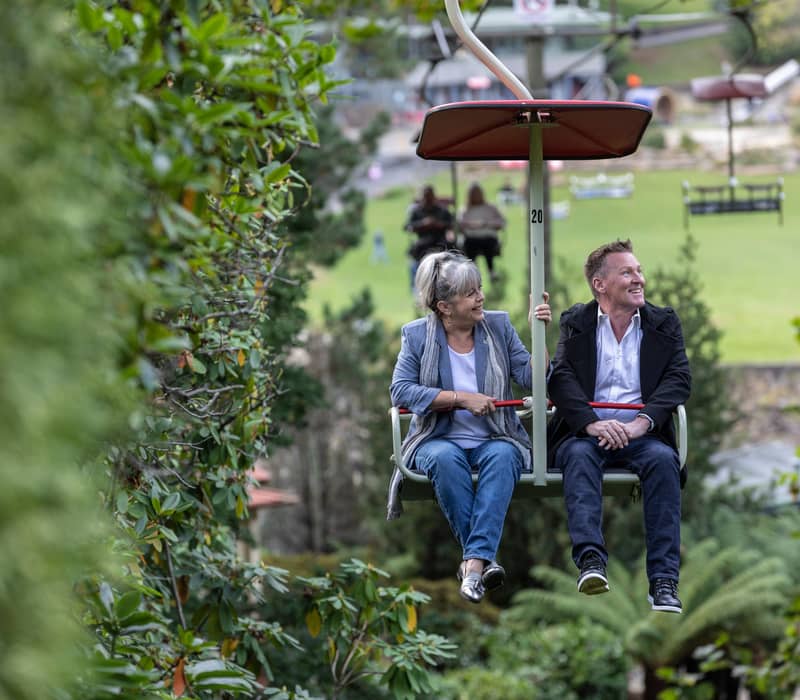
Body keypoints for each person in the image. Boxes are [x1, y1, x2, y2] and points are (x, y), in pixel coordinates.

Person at [389, 251, 551, 603]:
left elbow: (531, 377)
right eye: (470, 293)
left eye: (479, 289)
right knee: (445, 459)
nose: (481, 298)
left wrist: (539, 334)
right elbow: (400, 390)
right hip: (437, 437)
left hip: (495, 435)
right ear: (444, 307)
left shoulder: (498, 326)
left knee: (504, 457)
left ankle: (472, 566)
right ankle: (482, 560)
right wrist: (461, 398)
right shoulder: (417, 337)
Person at [547, 239, 691, 613]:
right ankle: (591, 563)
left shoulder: (663, 323)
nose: (638, 278)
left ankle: (663, 581)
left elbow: (678, 378)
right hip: (587, 435)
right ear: (600, 284)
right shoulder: (576, 322)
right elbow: (560, 378)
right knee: (578, 456)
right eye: (627, 272)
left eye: (639, 271)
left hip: (641, 436)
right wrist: (592, 425)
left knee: (663, 462)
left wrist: (642, 422)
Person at [404, 185, 454, 291]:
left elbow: (451, 223)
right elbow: (408, 226)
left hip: (440, 240)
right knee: (415, 253)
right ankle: (418, 283)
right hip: (423, 242)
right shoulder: (417, 211)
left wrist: (439, 224)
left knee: (451, 248)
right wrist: (423, 224)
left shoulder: (442, 210)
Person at [458, 183, 506, 282]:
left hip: (488, 237)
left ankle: (491, 271)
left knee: (487, 245)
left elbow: (501, 222)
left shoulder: (490, 208)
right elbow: (460, 224)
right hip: (471, 238)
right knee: (470, 246)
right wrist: (471, 225)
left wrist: (486, 223)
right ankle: (472, 274)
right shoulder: (465, 209)